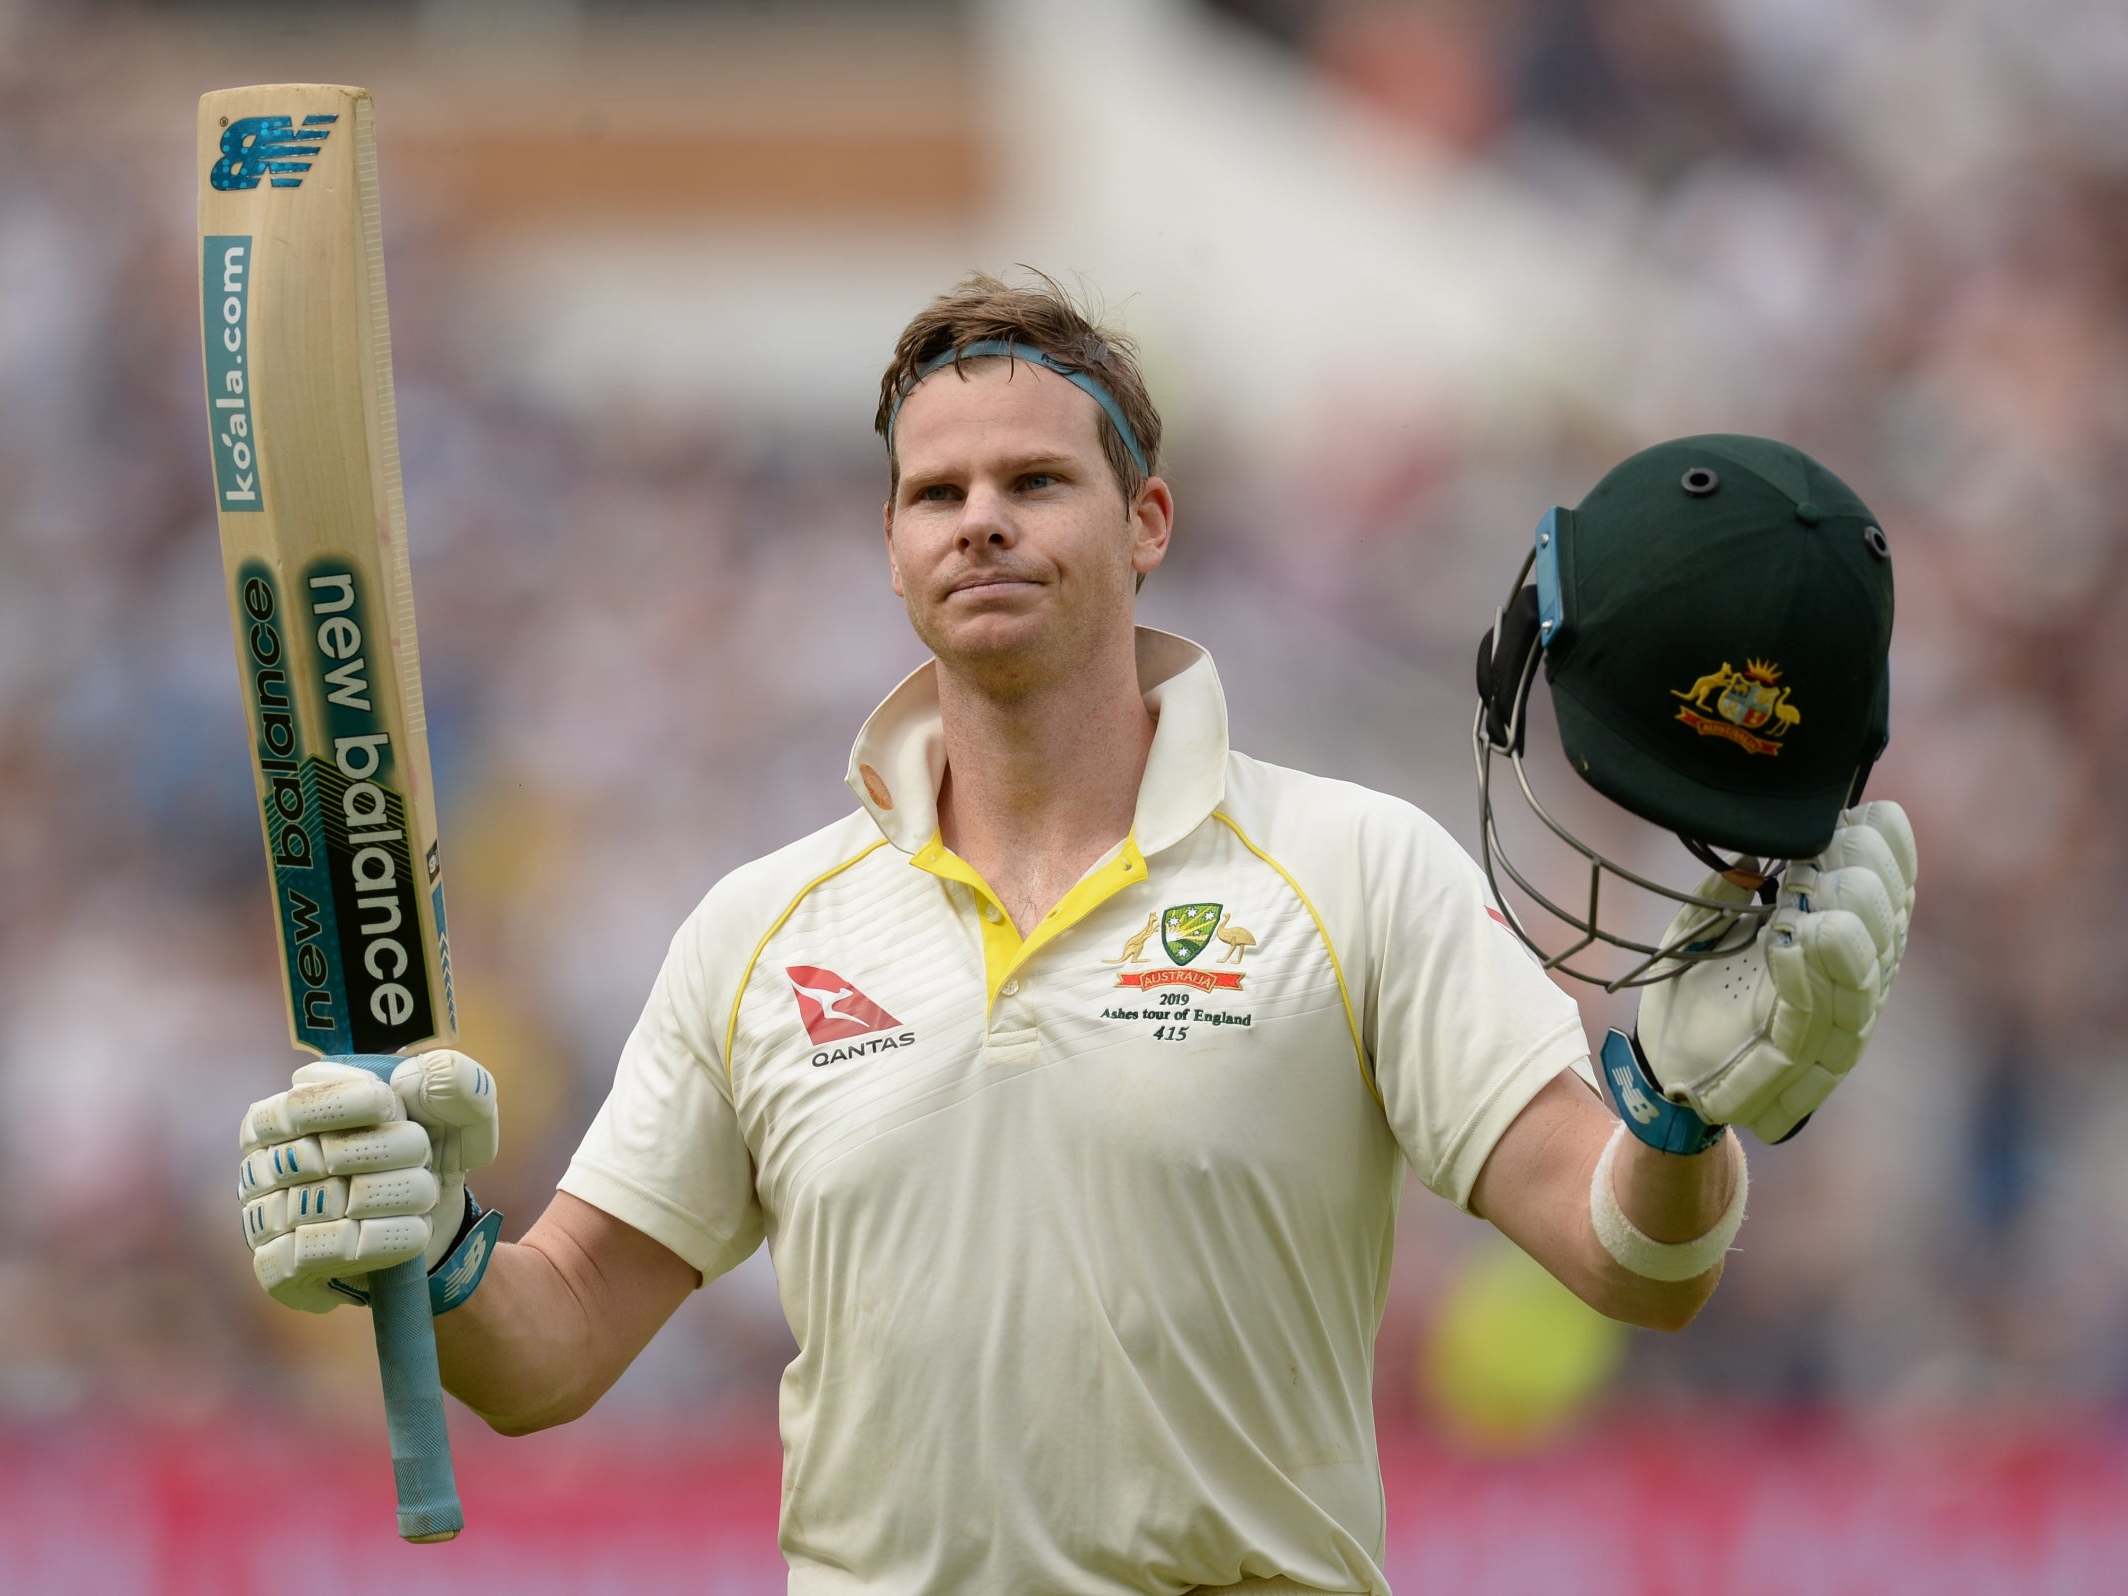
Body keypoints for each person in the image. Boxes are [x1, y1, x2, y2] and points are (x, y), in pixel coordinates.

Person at [234, 273, 1915, 1594]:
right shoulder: (760, 928)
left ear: (1147, 524)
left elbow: (1632, 1260)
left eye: (1036, 479)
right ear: (891, 548)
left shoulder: (1354, 866)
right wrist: (434, 1248)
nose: (980, 519)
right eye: (935, 491)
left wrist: (1680, 1120)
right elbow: (548, 1352)